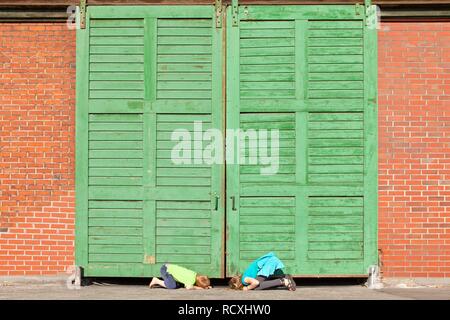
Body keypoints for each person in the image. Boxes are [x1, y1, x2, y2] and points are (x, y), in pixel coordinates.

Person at [228, 252, 296, 291]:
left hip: (269, 262)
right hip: (270, 261)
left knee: (256, 287)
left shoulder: (244, 279)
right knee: (262, 281)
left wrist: (248, 288)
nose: (238, 288)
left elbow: (256, 282)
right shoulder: (245, 275)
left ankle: (283, 281)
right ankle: (285, 277)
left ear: (236, 283)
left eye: (236, 287)